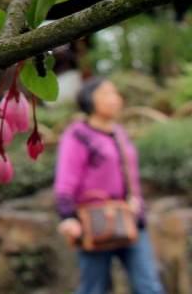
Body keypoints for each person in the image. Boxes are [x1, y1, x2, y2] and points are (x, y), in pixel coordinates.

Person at [55, 77, 165, 294]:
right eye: (105, 93)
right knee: (93, 287)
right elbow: (66, 178)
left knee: (149, 285)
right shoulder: (78, 135)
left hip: (131, 219)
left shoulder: (119, 133)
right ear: (88, 99)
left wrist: (139, 206)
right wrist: (67, 216)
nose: (115, 99)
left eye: (115, 93)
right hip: (94, 222)